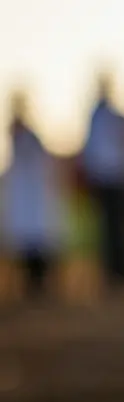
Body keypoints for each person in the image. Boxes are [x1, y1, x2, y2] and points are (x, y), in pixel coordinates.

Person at [80, 70, 124, 294]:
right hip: (105, 180)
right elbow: (92, 150)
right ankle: (113, 277)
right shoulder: (97, 116)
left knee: (121, 229)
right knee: (108, 230)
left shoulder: (115, 116)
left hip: (119, 180)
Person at [2, 89, 64, 299]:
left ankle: (39, 285)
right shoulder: (19, 139)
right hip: (25, 198)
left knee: (37, 242)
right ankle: (32, 286)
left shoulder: (30, 139)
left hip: (33, 199)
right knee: (27, 242)